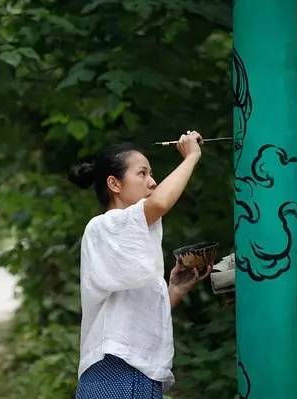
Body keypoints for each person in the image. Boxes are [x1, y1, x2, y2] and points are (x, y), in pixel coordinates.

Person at [67, 131, 212, 398]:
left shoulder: (133, 235)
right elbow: (160, 202)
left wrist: (174, 292)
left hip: (141, 370)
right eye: (142, 173)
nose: (153, 182)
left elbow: (131, 314)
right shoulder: (104, 226)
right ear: (115, 184)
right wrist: (191, 156)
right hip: (113, 369)